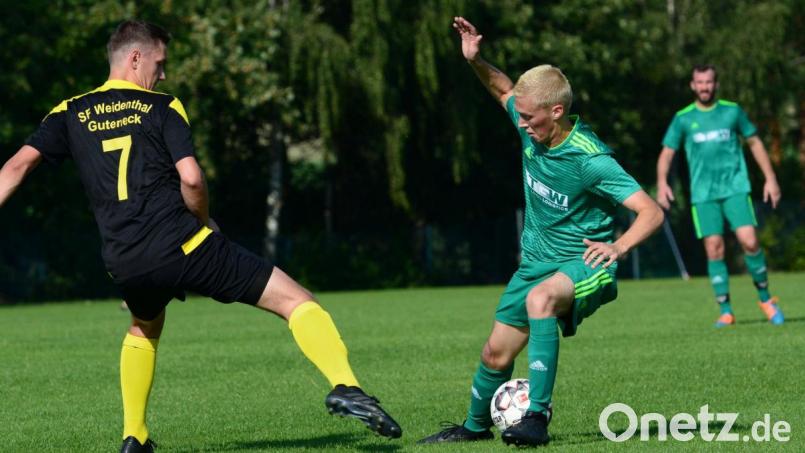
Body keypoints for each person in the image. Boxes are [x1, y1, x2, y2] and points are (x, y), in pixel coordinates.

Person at [0, 20, 401, 452]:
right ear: (136, 58)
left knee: (143, 327)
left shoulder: (69, 111)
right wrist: (205, 222)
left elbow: (14, 169)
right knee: (297, 301)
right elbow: (190, 178)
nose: (164, 74)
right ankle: (347, 386)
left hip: (124, 259)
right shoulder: (163, 106)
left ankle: (134, 436)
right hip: (184, 245)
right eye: (160, 62)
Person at [418, 17, 664, 447]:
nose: (524, 126)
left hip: (585, 263)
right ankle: (474, 428)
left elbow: (651, 211)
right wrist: (476, 60)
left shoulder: (590, 159)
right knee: (495, 353)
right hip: (535, 263)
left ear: (557, 111)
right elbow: (501, 89)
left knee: (541, 299)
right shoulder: (530, 124)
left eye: (531, 119)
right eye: (522, 118)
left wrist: (619, 245)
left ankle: (537, 416)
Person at [656, 64, 784, 327]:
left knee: (749, 241)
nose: (705, 87)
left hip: (735, 188)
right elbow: (667, 153)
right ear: (693, 85)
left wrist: (770, 179)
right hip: (703, 195)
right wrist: (661, 183)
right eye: (700, 82)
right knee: (714, 249)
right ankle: (726, 311)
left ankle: (765, 299)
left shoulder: (732, 111)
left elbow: (755, 142)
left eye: (709, 82)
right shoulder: (683, 118)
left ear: (716, 84)